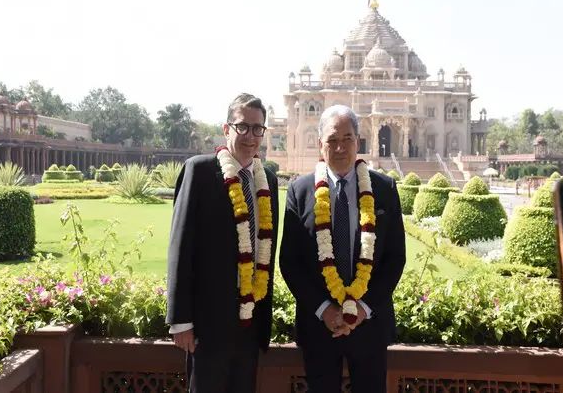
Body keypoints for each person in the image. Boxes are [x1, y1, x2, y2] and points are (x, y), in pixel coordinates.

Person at [280, 105, 406, 393]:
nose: (340, 147)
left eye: (347, 139)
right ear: (320, 145)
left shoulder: (383, 188)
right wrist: (325, 310)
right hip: (319, 326)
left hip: (370, 325)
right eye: (332, 140)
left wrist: (362, 308)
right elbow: (290, 262)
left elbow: (395, 259)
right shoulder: (301, 191)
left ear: (358, 141)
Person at [166, 93, 279, 393]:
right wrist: (181, 321)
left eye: (258, 128)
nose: (250, 136)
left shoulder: (267, 178)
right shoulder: (201, 171)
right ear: (226, 129)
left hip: (250, 323)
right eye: (242, 126)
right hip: (207, 323)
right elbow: (181, 243)